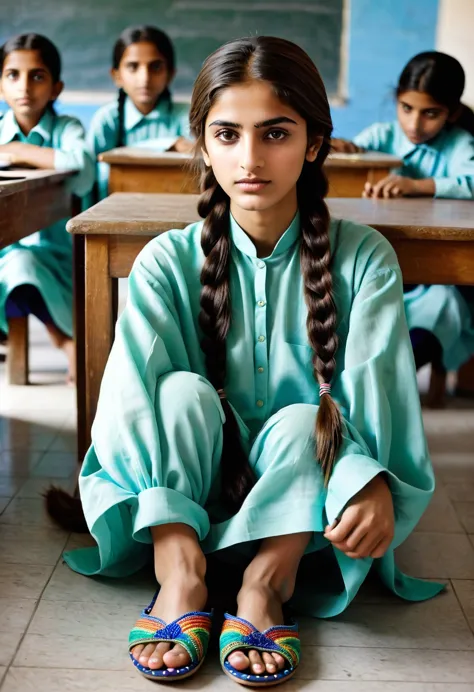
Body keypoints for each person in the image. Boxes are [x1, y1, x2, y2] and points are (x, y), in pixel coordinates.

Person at [63, 37, 443, 686]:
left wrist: (370, 477)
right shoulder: (165, 262)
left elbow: (380, 398)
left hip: (306, 510)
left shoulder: (364, 258)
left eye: (275, 134)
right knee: (179, 392)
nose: (249, 158)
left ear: (315, 143)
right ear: (202, 145)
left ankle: (268, 581)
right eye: (227, 134)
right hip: (189, 495)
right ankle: (181, 573)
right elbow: (131, 407)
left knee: (306, 420)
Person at [332, 51, 474, 395]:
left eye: (431, 114)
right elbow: (354, 157)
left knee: (441, 310)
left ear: (451, 113)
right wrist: (346, 150)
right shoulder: (383, 134)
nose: (414, 124)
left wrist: (416, 186)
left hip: (437, 274)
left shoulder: (459, 144)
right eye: (406, 109)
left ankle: (387, 385)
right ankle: (352, 382)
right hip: (385, 261)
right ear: (396, 101)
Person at [0, 33, 94, 381]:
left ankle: (66, 343)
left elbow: (81, 168)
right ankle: (66, 344)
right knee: (14, 262)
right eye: (12, 75)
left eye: (37, 76)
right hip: (5, 253)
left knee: (22, 264)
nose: (24, 86)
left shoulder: (67, 127)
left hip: (57, 254)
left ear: (56, 87)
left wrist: (19, 151)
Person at [87, 25, 192, 200]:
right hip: (111, 219)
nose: (145, 78)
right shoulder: (107, 120)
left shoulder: (186, 116)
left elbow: (204, 162)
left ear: (170, 74)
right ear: (117, 76)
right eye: (133, 67)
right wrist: (170, 144)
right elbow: (87, 182)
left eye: (156, 67)